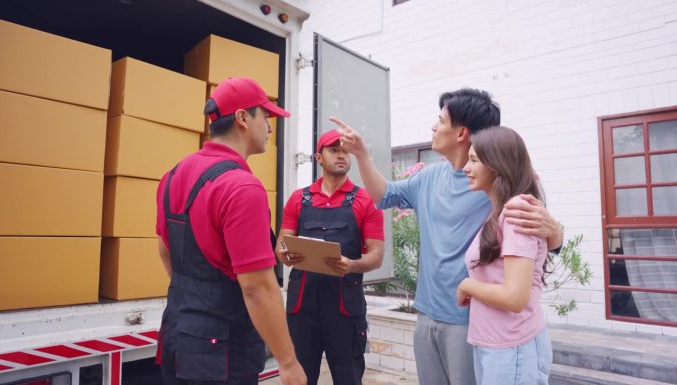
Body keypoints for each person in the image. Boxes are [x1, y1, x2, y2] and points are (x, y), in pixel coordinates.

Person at [333, 88, 563, 385]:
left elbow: (536, 233)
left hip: (471, 320)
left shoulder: (493, 179)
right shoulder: (430, 176)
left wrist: (555, 234)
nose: (433, 126)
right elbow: (384, 195)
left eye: (440, 120)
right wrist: (362, 155)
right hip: (427, 313)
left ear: (461, 133)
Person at [155, 77, 306, 385]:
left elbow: (166, 250)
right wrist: (288, 362)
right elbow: (257, 288)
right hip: (220, 355)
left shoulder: (171, 176)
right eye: (265, 116)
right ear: (242, 118)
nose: (270, 126)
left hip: (177, 338)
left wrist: (199, 298)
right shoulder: (242, 187)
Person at [274, 129, 385, 385]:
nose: (341, 155)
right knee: (299, 378)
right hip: (302, 307)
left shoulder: (365, 200)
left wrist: (353, 265)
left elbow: (376, 255)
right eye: (334, 150)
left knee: (348, 377)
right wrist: (284, 254)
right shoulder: (298, 199)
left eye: (345, 150)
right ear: (318, 158)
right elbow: (281, 244)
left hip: (345, 307)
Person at [457, 126, 553, 385]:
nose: (466, 167)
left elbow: (514, 297)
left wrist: (467, 285)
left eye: (474, 160)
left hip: (513, 347)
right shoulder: (499, 211)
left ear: (497, 166)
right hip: (497, 345)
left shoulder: (515, 212)